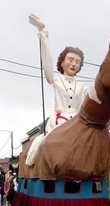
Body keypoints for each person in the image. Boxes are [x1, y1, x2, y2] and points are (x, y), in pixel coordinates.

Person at [25, 14, 87, 166]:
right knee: (61, 127)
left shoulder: (83, 87)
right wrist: (43, 33)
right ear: (63, 62)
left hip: (77, 120)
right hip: (59, 118)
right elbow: (47, 63)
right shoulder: (56, 81)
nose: (74, 64)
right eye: (71, 60)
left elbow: (84, 109)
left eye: (77, 62)